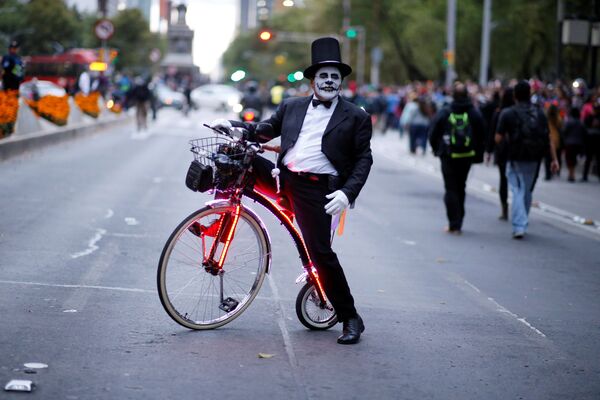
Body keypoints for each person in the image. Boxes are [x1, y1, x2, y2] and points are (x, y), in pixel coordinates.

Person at [211, 37, 372, 345]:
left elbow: (364, 159)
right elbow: (264, 130)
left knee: (321, 254)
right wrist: (232, 125)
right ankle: (216, 220)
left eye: (334, 76)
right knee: (234, 159)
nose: (328, 81)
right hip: (284, 180)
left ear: (341, 82)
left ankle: (350, 317)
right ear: (312, 81)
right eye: (323, 76)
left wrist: (347, 193)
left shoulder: (356, 116)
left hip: (317, 192)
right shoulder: (292, 106)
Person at [495, 80, 559, 239]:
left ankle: (519, 225)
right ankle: (523, 220)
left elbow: (497, 138)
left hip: (516, 156)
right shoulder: (539, 113)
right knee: (527, 190)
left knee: (517, 190)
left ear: (515, 95)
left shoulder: (507, 113)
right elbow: (548, 137)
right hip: (535, 158)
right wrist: (554, 159)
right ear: (529, 94)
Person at [428, 82, 485, 234]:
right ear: (467, 95)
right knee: (461, 186)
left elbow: (433, 130)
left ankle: (454, 223)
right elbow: (482, 133)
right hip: (467, 156)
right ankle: (459, 220)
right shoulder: (474, 112)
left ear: (453, 95)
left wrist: (435, 149)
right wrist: (478, 155)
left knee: (450, 188)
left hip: (448, 155)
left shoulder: (446, 111)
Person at [486, 87, 514, 220]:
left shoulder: (499, 112)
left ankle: (505, 208)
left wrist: (489, 150)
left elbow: (493, 133)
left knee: (503, 180)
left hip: (502, 150)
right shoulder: (518, 113)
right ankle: (516, 207)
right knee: (516, 181)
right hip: (517, 151)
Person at [561, 107, 586, 182]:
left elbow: (564, 131)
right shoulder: (581, 122)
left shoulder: (569, 122)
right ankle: (572, 173)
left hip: (569, 143)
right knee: (574, 159)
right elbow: (584, 133)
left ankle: (571, 174)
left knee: (569, 159)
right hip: (578, 143)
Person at [583, 103, 600, 182]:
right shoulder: (589, 117)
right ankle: (585, 176)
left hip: (597, 141)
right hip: (590, 141)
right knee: (588, 159)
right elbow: (584, 128)